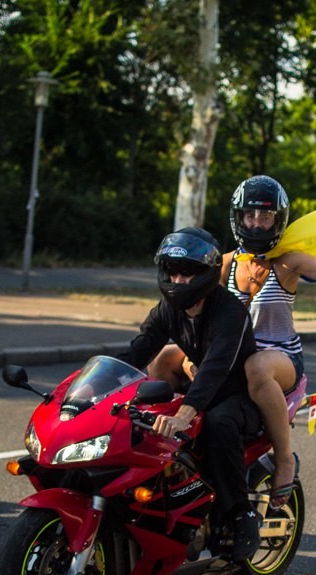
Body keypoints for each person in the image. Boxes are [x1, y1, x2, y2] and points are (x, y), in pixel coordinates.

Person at [151, 175, 316, 511]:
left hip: (278, 358)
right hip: (230, 353)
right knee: (166, 356)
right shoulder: (224, 264)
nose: (257, 223)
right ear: (238, 217)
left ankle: (284, 459)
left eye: (266, 216)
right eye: (250, 216)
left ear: (278, 220)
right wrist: (189, 356)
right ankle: (159, 446)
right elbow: (215, 320)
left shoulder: (289, 262)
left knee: (257, 366)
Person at [114, 227, 263, 561]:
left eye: (189, 272)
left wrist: (186, 411)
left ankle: (240, 514)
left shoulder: (230, 312)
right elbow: (139, 350)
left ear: (206, 274)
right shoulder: (169, 309)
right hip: (198, 387)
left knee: (218, 423)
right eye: (173, 271)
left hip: (238, 395)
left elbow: (216, 368)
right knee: (139, 418)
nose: (179, 279)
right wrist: (93, 385)